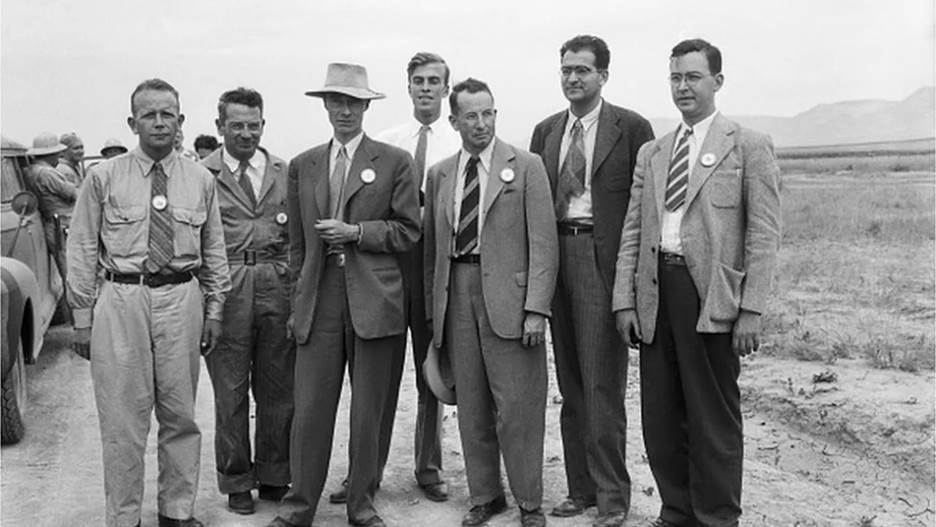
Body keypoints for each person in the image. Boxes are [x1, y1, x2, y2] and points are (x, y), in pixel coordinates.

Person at [613, 39, 781, 527]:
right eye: (675, 78)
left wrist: (752, 308)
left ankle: (717, 516)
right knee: (661, 418)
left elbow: (764, 234)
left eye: (693, 77)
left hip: (711, 298)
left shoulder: (746, 145)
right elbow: (633, 231)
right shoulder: (654, 152)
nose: (683, 87)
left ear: (717, 82)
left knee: (712, 418)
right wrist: (625, 300)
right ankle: (676, 512)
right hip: (655, 294)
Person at [67, 78, 231, 527]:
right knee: (123, 421)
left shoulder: (200, 178)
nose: (159, 122)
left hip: (182, 298)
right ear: (132, 122)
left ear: (181, 121)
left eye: (167, 114)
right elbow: (81, 248)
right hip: (123, 299)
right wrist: (82, 318)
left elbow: (214, 248)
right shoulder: (102, 177)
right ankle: (123, 518)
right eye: (149, 114)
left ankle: (176, 513)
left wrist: (214, 309)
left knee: (180, 414)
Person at [268, 63, 420, 527]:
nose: (344, 110)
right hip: (321, 298)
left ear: (366, 107)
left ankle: (361, 503)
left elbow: (409, 230)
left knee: (369, 409)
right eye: (337, 101)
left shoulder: (394, 161)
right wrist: (299, 302)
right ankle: (299, 508)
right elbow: (296, 244)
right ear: (325, 106)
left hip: (375, 298)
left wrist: (357, 232)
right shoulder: (305, 164)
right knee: (311, 407)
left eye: (354, 102)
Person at [529, 34, 654, 527]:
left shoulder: (632, 128)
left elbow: (644, 208)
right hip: (554, 256)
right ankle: (580, 490)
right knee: (571, 385)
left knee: (603, 385)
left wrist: (632, 283)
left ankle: (612, 497)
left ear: (604, 74)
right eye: (566, 70)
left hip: (603, 260)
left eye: (582, 70)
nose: (573, 78)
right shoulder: (545, 132)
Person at [327, 51, 462, 506]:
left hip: (436, 265)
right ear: (408, 87)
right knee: (374, 378)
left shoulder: (460, 143)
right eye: (418, 80)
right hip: (385, 269)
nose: (426, 88)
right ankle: (365, 472)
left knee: (431, 369)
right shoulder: (384, 144)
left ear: (447, 88)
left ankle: (429, 466)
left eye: (434, 81)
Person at [423, 78, 558, 527]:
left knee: (518, 406)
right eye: (471, 116)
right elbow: (431, 252)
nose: (481, 124)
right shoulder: (441, 173)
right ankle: (485, 495)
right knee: (473, 404)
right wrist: (434, 313)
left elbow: (544, 244)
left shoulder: (527, 166)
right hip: (458, 293)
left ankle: (529, 501)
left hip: (511, 300)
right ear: (454, 120)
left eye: (488, 113)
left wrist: (536, 308)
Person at [201, 87, 294, 515]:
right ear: (220, 127)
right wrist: (209, 301)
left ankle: (275, 473)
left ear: (263, 125)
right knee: (231, 389)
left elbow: (297, 236)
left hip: (276, 281)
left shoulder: (283, 171)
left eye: (252, 125)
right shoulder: (203, 174)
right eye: (235, 125)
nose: (245, 133)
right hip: (228, 283)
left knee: (278, 387)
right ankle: (237, 479)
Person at [25, 132, 76, 320]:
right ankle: (78, 316)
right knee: (71, 270)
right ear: (50, 154)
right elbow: (71, 194)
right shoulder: (47, 173)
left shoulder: (31, 171)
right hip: (61, 223)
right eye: (57, 154)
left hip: (52, 222)